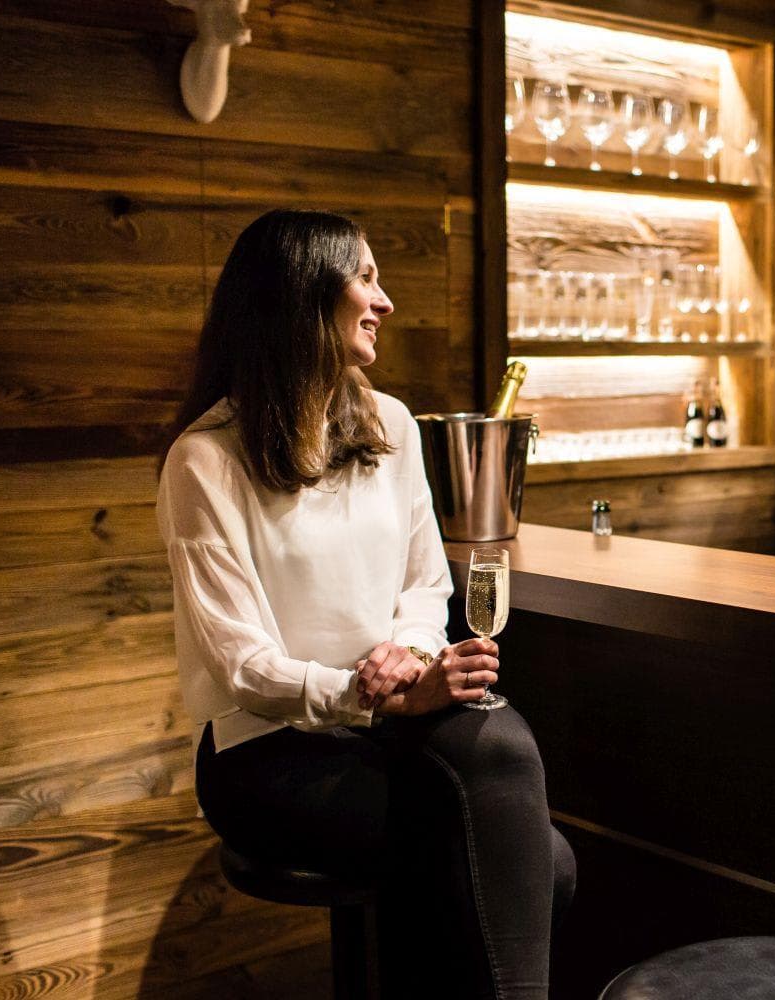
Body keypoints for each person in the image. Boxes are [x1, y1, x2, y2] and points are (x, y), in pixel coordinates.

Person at [157, 209, 574, 999]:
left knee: (505, 748)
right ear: (303, 297)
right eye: (367, 278)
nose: (384, 302)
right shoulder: (204, 461)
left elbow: (425, 586)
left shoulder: (389, 424)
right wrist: (370, 694)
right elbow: (244, 667)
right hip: (267, 753)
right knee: (530, 864)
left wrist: (412, 655)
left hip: (385, 722)